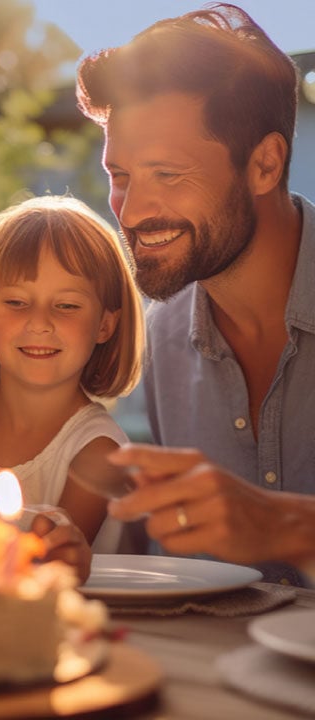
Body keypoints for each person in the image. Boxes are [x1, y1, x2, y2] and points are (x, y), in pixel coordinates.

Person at [76, 3, 315, 584]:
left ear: (264, 164)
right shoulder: (162, 334)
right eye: (120, 176)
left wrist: (288, 526)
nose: (130, 213)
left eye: (167, 174)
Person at [0, 195, 145, 583]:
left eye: (67, 306)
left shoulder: (99, 452)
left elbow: (41, 580)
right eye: (17, 302)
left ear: (106, 324)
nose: (39, 322)